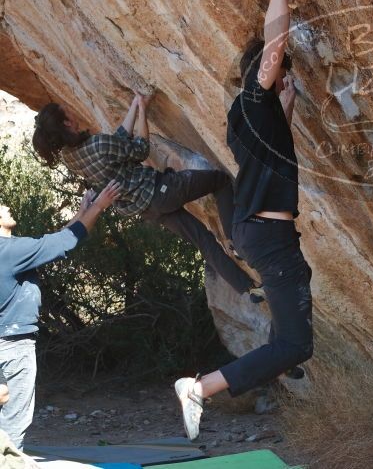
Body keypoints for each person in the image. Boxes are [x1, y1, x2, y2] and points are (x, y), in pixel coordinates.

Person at [173, 0, 313, 441]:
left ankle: (279, 355)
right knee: (297, 344)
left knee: (294, 302)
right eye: (278, 78)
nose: (279, 80)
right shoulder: (256, 96)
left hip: (263, 234)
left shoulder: (246, 118)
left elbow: (272, 153)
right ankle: (200, 388)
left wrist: (288, 106)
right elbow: (274, 44)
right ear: (264, 75)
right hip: (270, 239)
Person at [31, 92, 263, 299]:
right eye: (67, 110)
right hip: (160, 191)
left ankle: (248, 289)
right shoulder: (98, 144)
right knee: (220, 180)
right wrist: (142, 111)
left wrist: (134, 104)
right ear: (67, 122)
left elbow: (118, 142)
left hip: (147, 210)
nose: (71, 109)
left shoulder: (70, 157)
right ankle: (238, 243)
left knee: (204, 241)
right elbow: (141, 148)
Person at [0, 182, 121, 450]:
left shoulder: (11, 252)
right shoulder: (9, 251)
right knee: (13, 424)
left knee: (3, 405)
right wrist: (100, 206)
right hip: (14, 347)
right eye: (1, 205)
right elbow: (65, 243)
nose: (6, 206)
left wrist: (82, 213)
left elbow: (54, 241)